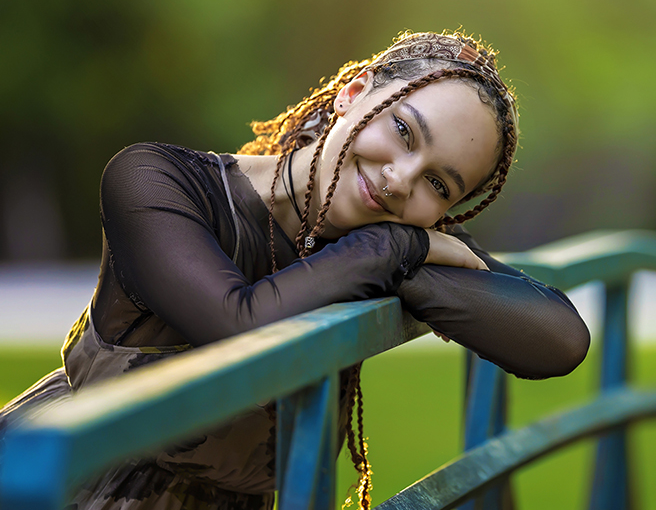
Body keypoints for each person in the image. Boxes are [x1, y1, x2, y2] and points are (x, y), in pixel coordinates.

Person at [0, 31, 591, 510]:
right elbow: (240, 330)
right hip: (67, 487)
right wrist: (389, 251)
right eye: (404, 131)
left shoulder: (396, 238)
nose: (399, 179)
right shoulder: (156, 181)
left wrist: (392, 252)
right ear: (352, 93)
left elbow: (559, 338)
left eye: (439, 183)